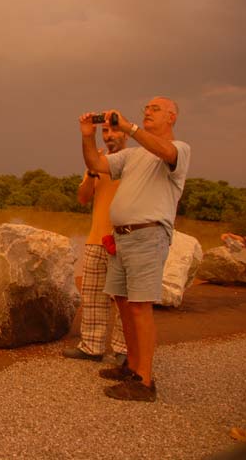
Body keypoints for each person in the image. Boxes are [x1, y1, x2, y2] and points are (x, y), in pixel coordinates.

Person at [79, 96, 190, 402]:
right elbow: (97, 164)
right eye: (146, 109)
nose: (148, 112)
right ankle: (132, 365)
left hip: (148, 236)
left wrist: (129, 125)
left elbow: (164, 150)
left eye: (155, 109)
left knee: (140, 305)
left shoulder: (179, 149)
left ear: (172, 117)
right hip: (122, 238)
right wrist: (87, 137)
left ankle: (145, 381)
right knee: (124, 302)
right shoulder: (133, 157)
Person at [62, 121, 128, 364]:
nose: (109, 135)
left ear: (125, 133)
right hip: (96, 239)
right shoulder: (96, 162)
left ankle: (123, 350)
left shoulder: (134, 161)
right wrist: (91, 170)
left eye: (114, 130)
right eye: (105, 132)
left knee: (124, 299)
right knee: (92, 296)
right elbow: (82, 198)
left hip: (126, 241)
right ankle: (92, 346)